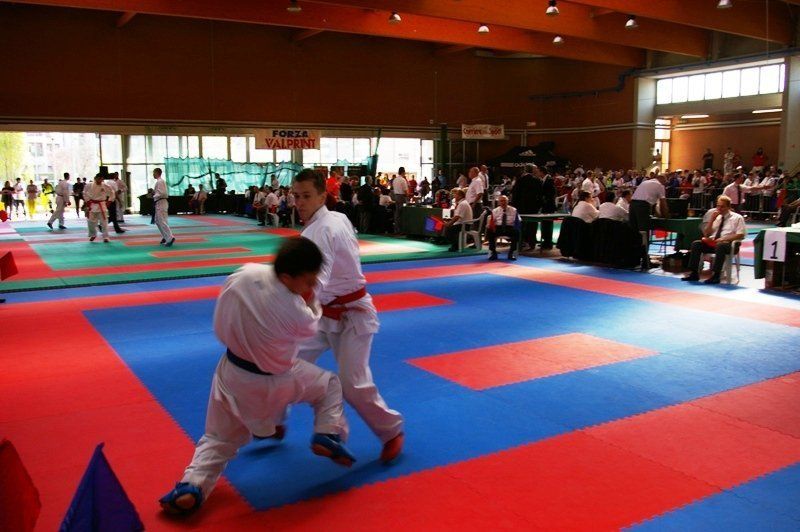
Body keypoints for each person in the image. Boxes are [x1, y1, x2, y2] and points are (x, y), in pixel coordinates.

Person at [159, 237, 355, 515]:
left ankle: (191, 485)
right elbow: (310, 327)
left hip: (233, 373)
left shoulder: (243, 274)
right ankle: (328, 433)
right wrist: (311, 302)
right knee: (329, 385)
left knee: (218, 439)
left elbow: (221, 318)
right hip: (279, 381)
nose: (312, 288)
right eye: (309, 282)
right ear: (287, 278)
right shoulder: (297, 312)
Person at [290, 169, 404, 462]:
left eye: (306, 196)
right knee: (287, 363)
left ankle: (391, 431)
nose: (299, 202)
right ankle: (277, 421)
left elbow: (319, 276)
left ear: (322, 196)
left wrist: (293, 307)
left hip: (352, 315)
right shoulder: (335, 218)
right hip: (324, 314)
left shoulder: (322, 230)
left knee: (352, 383)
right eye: (296, 196)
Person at [682, 195, 745, 285]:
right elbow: (707, 234)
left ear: (728, 207)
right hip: (714, 243)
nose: (719, 208)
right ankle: (694, 273)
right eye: (718, 206)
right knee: (696, 244)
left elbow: (740, 234)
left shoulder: (737, 218)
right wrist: (712, 219)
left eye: (722, 206)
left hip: (729, 244)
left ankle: (716, 275)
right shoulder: (717, 217)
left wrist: (724, 239)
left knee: (720, 245)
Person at [510, 164, 543, 249]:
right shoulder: (537, 180)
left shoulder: (519, 179)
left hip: (521, 207)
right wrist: (539, 206)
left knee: (521, 225)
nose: (537, 170)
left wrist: (515, 206)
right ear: (532, 170)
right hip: (533, 207)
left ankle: (520, 242)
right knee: (532, 225)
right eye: (535, 168)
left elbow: (514, 194)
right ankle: (531, 243)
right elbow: (540, 195)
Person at [486, 195, 519, 261]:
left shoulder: (514, 210)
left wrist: (516, 226)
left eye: (505, 201)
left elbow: (518, 221)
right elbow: (492, 222)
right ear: (499, 202)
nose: (503, 202)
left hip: (509, 227)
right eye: (501, 201)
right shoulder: (495, 210)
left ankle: (511, 253)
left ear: (508, 201)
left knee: (517, 232)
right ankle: (493, 252)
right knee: (490, 231)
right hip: (498, 227)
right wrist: (491, 227)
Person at [83, 173, 113, 243]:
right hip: (92, 205)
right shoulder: (89, 185)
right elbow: (84, 193)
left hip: (101, 205)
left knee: (104, 222)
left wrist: (109, 201)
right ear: (95, 178)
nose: (100, 180)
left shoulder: (105, 186)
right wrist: (87, 201)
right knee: (90, 221)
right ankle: (93, 234)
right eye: (98, 179)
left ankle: (105, 237)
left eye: (101, 179)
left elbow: (112, 193)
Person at [443, 188, 472, 252]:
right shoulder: (462, 203)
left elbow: (457, 217)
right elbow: (457, 216)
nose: (454, 196)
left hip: (464, 225)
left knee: (448, 229)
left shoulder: (462, 204)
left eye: (456, 195)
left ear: (460, 196)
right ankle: (456, 244)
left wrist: (449, 223)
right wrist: (450, 220)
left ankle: (456, 245)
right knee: (448, 227)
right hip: (462, 223)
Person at [153, 168, 175, 246]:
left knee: (162, 221)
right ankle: (165, 237)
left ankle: (170, 238)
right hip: (160, 202)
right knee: (158, 221)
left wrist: (154, 195)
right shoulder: (159, 181)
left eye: (154, 172)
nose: (153, 174)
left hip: (161, 202)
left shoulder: (160, 181)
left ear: (157, 173)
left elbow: (163, 193)